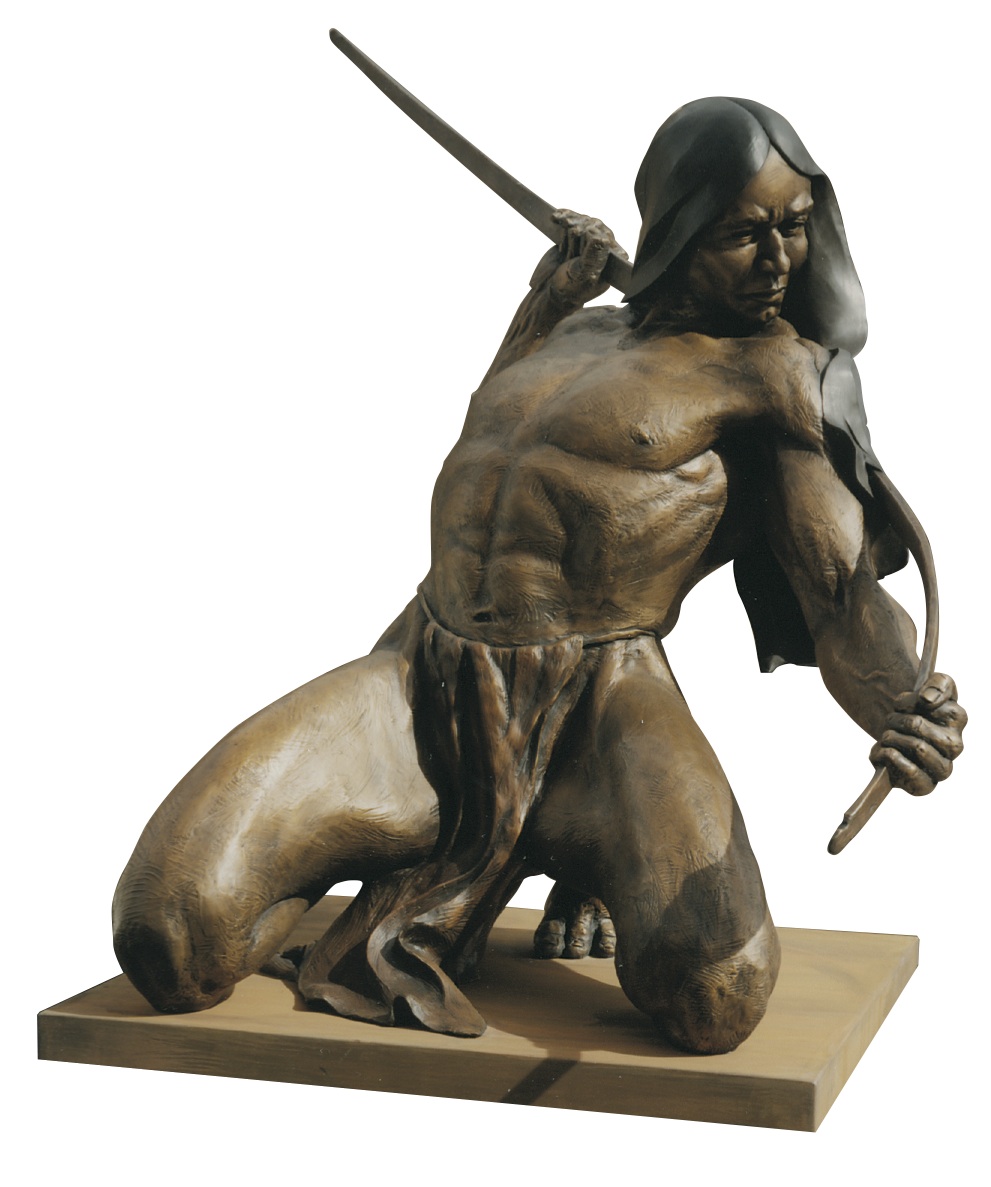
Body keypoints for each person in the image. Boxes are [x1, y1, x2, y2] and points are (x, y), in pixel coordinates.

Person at [112, 98, 966, 1055]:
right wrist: (546, 299)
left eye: (794, 227)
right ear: (674, 229)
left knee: (714, 996)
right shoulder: (571, 330)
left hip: (599, 705)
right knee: (167, 934)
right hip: (420, 674)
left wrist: (902, 703)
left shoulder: (776, 376)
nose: (778, 262)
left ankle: (577, 841)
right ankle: (440, 858)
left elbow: (839, 594)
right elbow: (494, 471)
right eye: (742, 233)